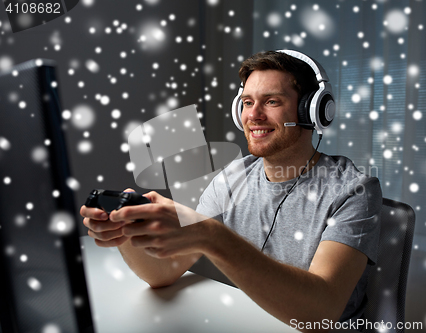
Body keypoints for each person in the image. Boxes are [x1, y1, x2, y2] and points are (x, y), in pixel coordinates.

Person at [81, 50, 382, 330]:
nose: (254, 115)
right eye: (248, 102)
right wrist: (125, 231)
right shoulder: (233, 177)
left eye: (272, 101)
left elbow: (321, 312)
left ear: (312, 110)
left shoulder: (353, 190)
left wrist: (211, 237)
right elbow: (164, 272)